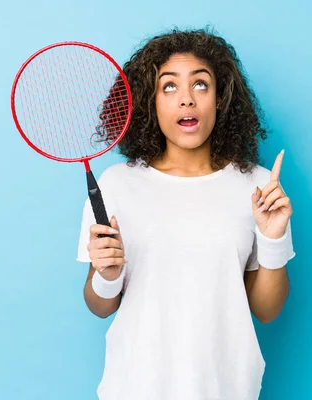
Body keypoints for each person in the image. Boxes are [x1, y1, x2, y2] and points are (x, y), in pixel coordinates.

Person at [76, 27, 296, 400]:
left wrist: (273, 237)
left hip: (227, 389)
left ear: (221, 98)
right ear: (150, 101)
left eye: (200, 85)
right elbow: (99, 306)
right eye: (169, 87)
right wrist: (107, 275)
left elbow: (267, 310)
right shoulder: (116, 185)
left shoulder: (257, 187)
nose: (186, 100)